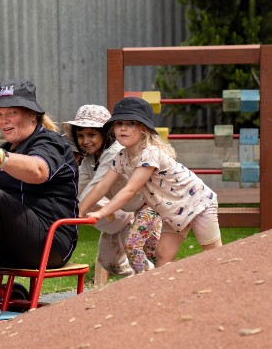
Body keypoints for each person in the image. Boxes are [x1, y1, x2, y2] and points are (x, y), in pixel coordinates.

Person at [0, 79, 79, 319]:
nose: (3, 120)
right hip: (15, 241)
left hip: (51, 242)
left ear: (32, 115)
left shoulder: (50, 142)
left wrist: (1, 158)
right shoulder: (6, 149)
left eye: (12, 113)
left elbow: (38, 171)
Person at [79, 97, 222, 267]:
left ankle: (233, 287)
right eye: (118, 124)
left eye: (131, 123)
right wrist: (80, 210)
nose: (123, 128)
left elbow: (130, 190)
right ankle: (165, 293)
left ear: (143, 128)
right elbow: (102, 185)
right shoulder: (121, 157)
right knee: (162, 256)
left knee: (215, 254)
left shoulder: (150, 153)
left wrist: (101, 213)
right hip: (173, 211)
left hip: (198, 203)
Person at [63, 105, 161, 276]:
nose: (86, 141)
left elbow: (98, 186)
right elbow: (76, 188)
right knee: (110, 263)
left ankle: (154, 281)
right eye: (80, 136)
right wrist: (62, 207)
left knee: (143, 251)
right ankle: (135, 282)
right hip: (124, 210)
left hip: (145, 207)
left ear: (105, 133)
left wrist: (78, 212)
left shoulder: (114, 153)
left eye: (91, 134)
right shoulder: (89, 162)